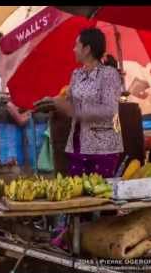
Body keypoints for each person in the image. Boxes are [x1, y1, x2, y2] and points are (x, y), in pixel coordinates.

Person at [48, 27, 124, 178]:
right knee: (78, 194)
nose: (73, 49)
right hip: (77, 145)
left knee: (100, 196)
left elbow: (110, 111)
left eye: (77, 45)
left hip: (102, 148)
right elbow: (69, 100)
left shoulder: (109, 74)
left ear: (87, 49)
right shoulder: (77, 74)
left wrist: (74, 110)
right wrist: (51, 102)